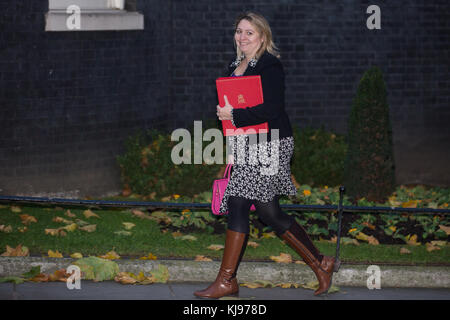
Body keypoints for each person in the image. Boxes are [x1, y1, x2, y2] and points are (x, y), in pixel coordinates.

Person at [193, 12, 336, 299]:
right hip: (246, 144)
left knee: (236, 203)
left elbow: (271, 110)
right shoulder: (235, 65)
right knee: (269, 212)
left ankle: (226, 280)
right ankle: (321, 263)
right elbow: (231, 115)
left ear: (263, 37)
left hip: (271, 142)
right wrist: (231, 150)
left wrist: (233, 113)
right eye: (239, 31)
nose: (242, 37)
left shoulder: (270, 66)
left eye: (249, 33)